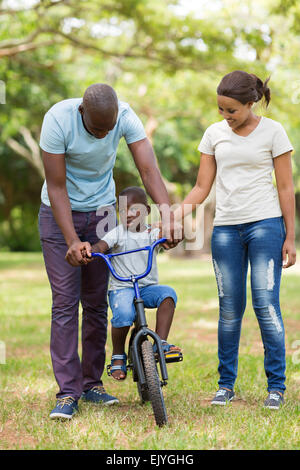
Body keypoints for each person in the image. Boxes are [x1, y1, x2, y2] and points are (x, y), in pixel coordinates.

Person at [38, 83, 180, 420]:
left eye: (109, 128)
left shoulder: (125, 116)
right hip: (60, 216)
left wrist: (169, 217)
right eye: (97, 129)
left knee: (97, 302)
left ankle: (92, 384)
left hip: (102, 214)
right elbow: (57, 187)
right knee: (65, 303)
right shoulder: (57, 119)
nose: (104, 136)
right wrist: (72, 240)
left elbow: (148, 169)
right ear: (82, 112)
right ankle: (68, 392)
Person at [174, 70, 296, 409]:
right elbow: (201, 187)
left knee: (265, 304)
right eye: (221, 110)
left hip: (265, 225)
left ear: (250, 103)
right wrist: (173, 215)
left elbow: (286, 188)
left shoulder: (274, 131)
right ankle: (225, 385)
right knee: (229, 309)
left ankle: (276, 387)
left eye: (232, 111)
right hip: (226, 229)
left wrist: (290, 236)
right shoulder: (214, 134)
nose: (225, 117)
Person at [83, 186, 181, 380]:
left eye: (134, 208)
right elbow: (102, 246)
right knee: (124, 315)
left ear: (147, 211)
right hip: (122, 289)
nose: (127, 214)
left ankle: (159, 344)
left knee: (168, 295)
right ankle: (118, 354)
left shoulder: (152, 233)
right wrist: (92, 251)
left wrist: (174, 233)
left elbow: (172, 237)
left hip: (147, 288)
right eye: (122, 210)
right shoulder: (117, 233)